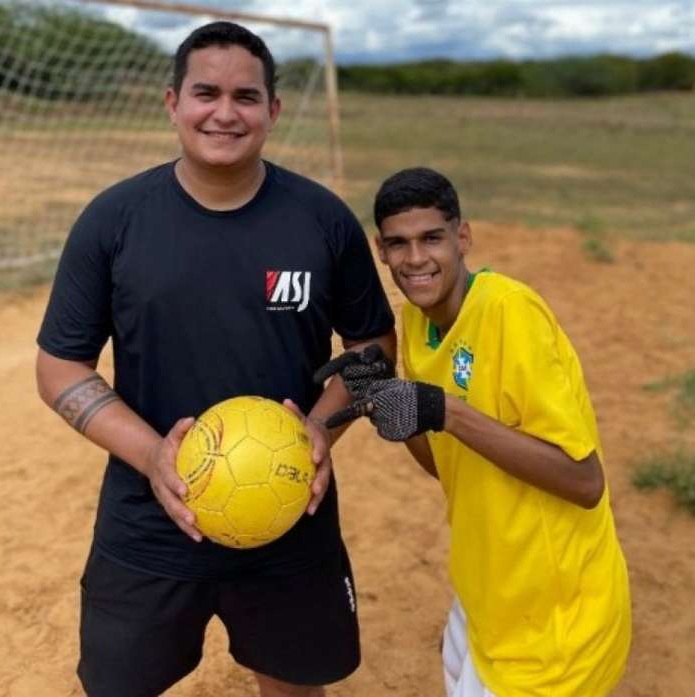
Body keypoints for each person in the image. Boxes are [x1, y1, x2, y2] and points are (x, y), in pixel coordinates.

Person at [35, 21, 395, 697]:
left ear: (273, 111)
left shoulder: (322, 220)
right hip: (149, 518)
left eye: (246, 97)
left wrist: (320, 428)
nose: (225, 113)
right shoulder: (114, 221)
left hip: (291, 513)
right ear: (172, 103)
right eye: (206, 93)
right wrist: (152, 457)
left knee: (294, 683)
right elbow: (60, 366)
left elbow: (373, 344)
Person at [320, 167, 631, 697]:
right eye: (398, 244)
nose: (415, 259)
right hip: (488, 594)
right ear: (380, 250)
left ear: (462, 237)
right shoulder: (417, 324)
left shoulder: (511, 312)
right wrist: (392, 401)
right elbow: (446, 464)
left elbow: (585, 482)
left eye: (431, 238)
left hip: (555, 619)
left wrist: (446, 410)